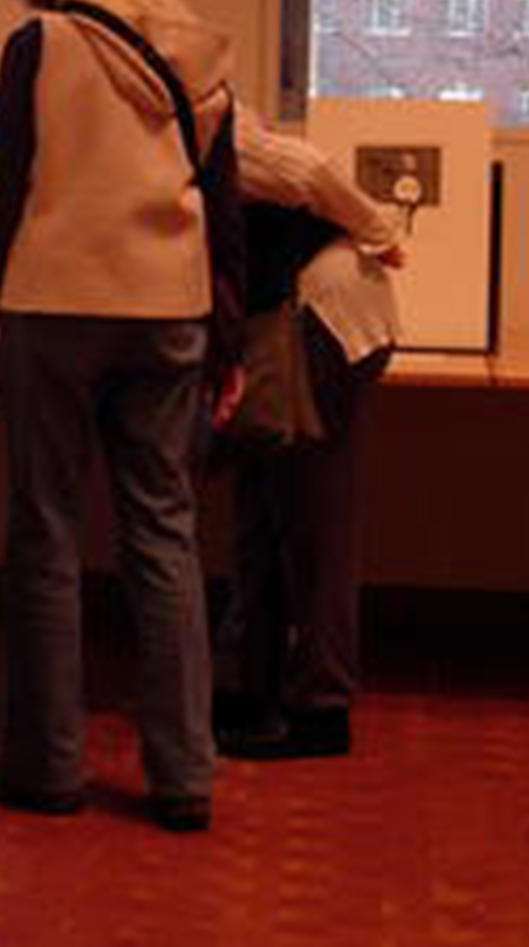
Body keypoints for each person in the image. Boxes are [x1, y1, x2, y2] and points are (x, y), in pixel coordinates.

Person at [0, 0, 245, 833]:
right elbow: (224, 203)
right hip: (172, 307)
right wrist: (226, 342)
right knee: (164, 534)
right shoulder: (198, 48)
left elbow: (1, 190)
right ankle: (184, 775)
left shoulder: (42, 45)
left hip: (54, 306)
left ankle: (46, 765)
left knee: (44, 531)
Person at [211, 105, 405, 759]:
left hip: (322, 322)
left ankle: (320, 705)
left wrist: (382, 231)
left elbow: (305, 167)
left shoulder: (202, 116)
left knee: (313, 516)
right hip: (283, 327)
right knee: (261, 510)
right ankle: (250, 684)